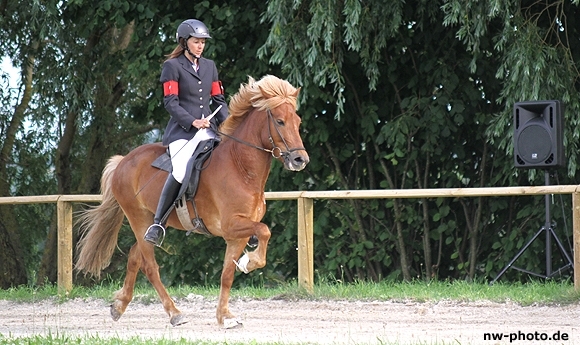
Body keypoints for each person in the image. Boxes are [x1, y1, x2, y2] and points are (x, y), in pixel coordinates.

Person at [144, 19, 228, 246]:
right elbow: (170, 103)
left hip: (208, 131)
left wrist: (228, 126)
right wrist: (192, 122)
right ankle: (158, 223)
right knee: (181, 171)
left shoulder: (210, 66)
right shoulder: (172, 66)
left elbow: (218, 100)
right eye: (196, 42)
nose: (200, 46)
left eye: (203, 42)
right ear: (184, 42)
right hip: (182, 133)